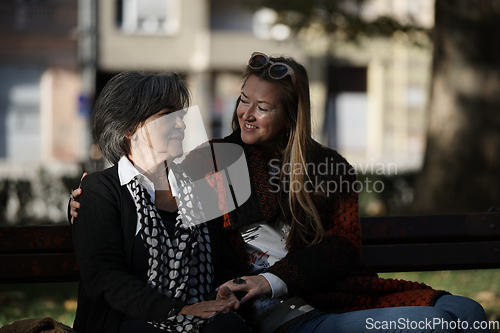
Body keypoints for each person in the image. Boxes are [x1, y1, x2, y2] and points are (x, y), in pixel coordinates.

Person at [71, 54, 491, 333]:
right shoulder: (212, 162)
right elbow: (143, 177)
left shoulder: (327, 168)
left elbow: (342, 248)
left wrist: (273, 279)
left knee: (468, 314)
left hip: (332, 295)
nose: (245, 114)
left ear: (291, 116)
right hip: (281, 314)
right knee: (440, 325)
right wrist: (83, 197)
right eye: (242, 101)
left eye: (263, 107)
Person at [70, 71, 249, 333]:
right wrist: (176, 311)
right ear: (130, 128)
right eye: (168, 115)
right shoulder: (101, 190)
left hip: (198, 318)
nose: (182, 125)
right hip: (126, 321)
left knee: (230, 327)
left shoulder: (198, 187)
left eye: (182, 115)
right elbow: (104, 277)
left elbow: (224, 263)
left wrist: (225, 293)